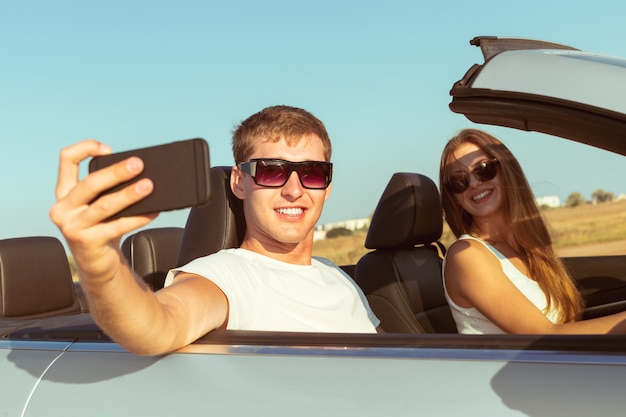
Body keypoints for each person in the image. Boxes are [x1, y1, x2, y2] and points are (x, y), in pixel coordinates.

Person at [50, 105, 380, 355]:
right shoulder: (224, 276)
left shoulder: (335, 274)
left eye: (312, 173)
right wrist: (98, 260)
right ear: (239, 182)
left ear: (328, 185)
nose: (294, 190)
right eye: (271, 171)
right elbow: (157, 325)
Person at [439, 128, 626, 334]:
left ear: (507, 170)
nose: (474, 183)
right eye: (459, 180)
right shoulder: (466, 256)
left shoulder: (528, 246)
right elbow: (545, 337)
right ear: (454, 197)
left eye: (484, 169)